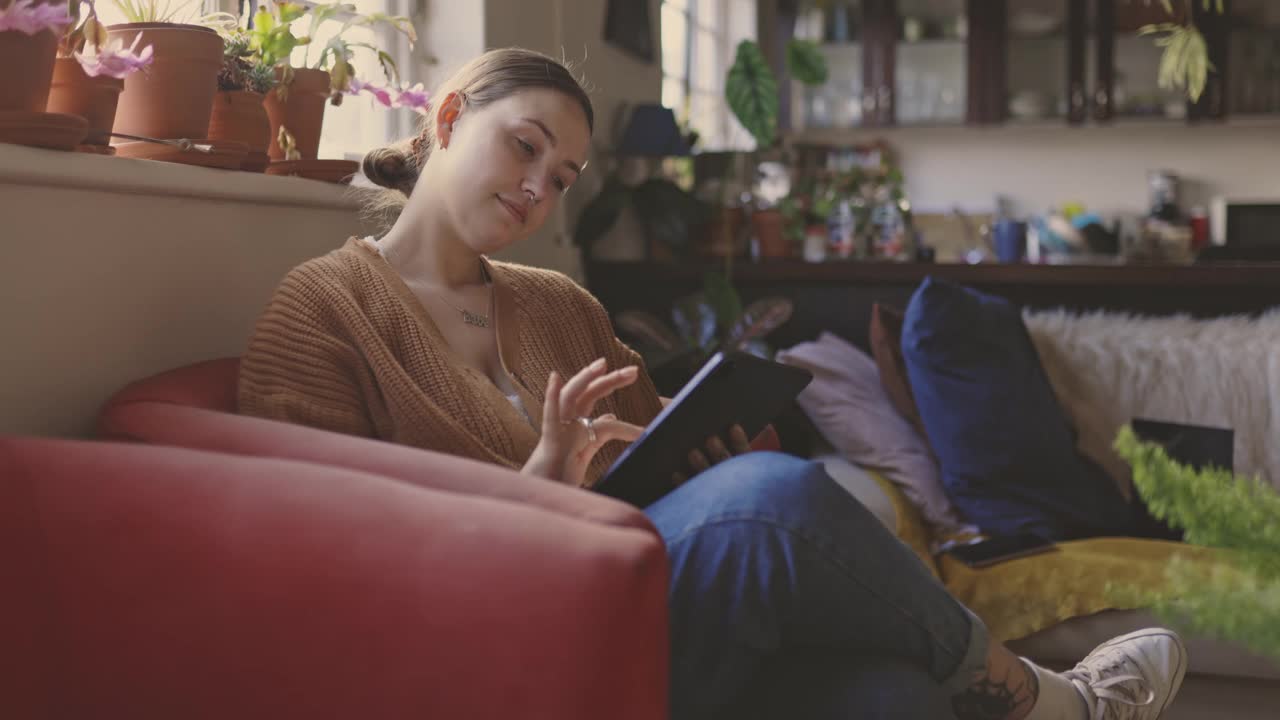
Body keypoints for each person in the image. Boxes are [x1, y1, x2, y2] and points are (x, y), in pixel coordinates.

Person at [238, 48, 1187, 720]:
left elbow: (663, 471)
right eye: (524, 147)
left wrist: (704, 458)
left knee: (888, 694)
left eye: (563, 176)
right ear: (447, 118)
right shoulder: (323, 310)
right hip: (497, 634)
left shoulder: (561, 305)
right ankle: (1056, 702)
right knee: (772, 501)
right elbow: (323, 569)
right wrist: (539, 485)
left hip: (639, 605)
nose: (539, 188)